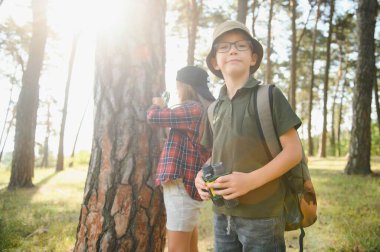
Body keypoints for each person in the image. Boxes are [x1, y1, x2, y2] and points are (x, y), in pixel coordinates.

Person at [194, 20, 303, 251]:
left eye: (241, 46)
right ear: (214, 61)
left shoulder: (269, 96)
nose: (232, 50)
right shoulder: (214, 109)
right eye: (223, 47)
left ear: (253, 58)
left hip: (263, 216)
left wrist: (250, 181)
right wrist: (201, 175)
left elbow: (294, 152)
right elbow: (216, 155)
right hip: (221, 214)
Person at [147, 66, 215, 252]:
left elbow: (154, 118)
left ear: (186, 86)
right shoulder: (203, 109)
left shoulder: (193, 108)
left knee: (177, 248)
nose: (177, 91)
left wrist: (158, 104)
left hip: (181, 184)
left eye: (178, 86)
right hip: (187, 183)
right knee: (189, 245)